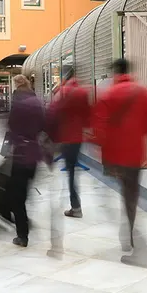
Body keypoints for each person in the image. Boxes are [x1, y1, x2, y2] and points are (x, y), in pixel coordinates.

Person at [92, 58, 147, 267]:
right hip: (135, 154)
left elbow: (99, 128)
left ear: (115, 73)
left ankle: (138, 249)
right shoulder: (142, 92)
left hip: (116, 156)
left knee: (126, 200)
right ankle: (128, 237)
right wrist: (136, 136)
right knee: (131, 197)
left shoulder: (109, 94)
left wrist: (104, 149)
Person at [7, 74, 49, 247]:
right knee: (23, 191)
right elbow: (44, 125)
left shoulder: (18, 102)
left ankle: (22, 234)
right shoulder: (37, 101)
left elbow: (11, 126)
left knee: (16, 196)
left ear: (16, 85)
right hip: (34, 153)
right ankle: (23, 222)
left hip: (20, 154)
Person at [46, 67, 90, 218]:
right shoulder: (82, 92)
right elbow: (88, 116)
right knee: (71, 171)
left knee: (69, 172)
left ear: (64, 76)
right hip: (77, 138)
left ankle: (75, 206)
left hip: (64, 138)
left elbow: (53, 113)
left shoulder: (63, 92)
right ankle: (74, 205)